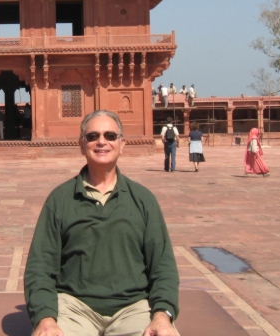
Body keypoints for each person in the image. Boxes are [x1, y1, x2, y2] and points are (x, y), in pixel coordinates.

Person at [25, 110, 179, 336]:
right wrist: (45, 317)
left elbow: (163, 265)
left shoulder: (142, 200)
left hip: (133, 306)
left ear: (122, 143)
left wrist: (162, 314)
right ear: (81, 144)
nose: (101, 142)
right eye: (92, 136)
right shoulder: (60, 199)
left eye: (110, 136)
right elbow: (40, 267)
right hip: (74, 307)